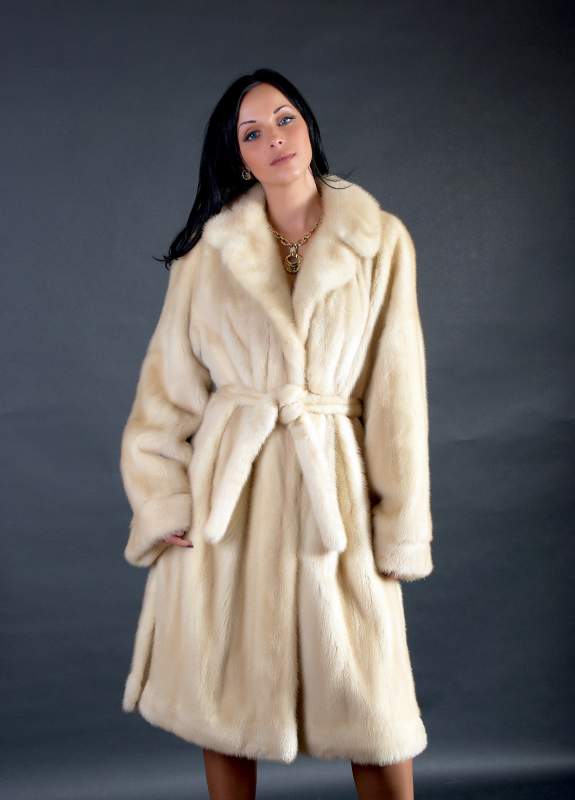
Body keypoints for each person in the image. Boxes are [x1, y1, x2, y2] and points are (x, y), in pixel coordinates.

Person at [119, 67, 434, 800]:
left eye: (284, 119)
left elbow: (398, 396)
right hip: (232, 499)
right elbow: (165, 393)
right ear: (237, 156)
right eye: (252, 133)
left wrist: (399, 526)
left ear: (308, 126)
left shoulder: (378, 240)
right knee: (224, 701)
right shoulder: (207, 254)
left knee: (374, 708)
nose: (274, 140)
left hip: (335, 492)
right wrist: (165, 501)